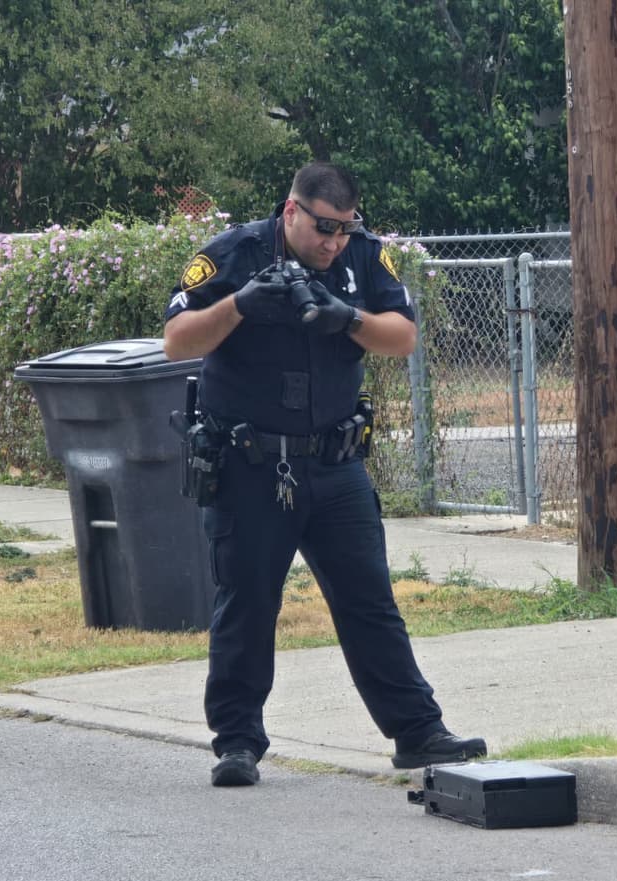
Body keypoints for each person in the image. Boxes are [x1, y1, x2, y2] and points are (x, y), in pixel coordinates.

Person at [162, 162, 485, 787]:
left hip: (335, 465)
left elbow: (403, 337)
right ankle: (237, 742)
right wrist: (239, 305)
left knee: (370, 602)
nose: (334, 241)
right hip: (251, 465)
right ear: (292, 211)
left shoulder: (363, 257)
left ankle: (418, 732)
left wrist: (348, 318)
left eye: (344, 228)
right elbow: (177, 341)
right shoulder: (233, 254)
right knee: (247, 603)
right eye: (324, 228)